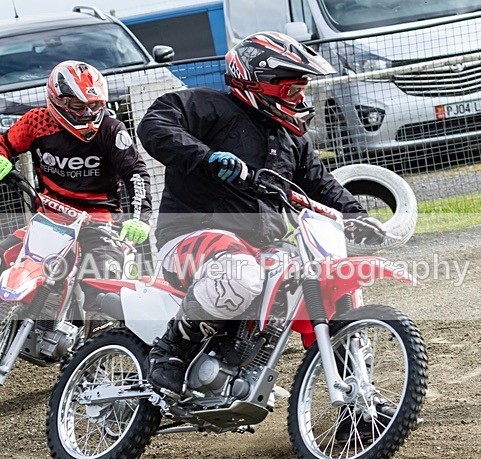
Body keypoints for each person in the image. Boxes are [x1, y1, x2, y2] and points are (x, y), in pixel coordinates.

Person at [136, 32, 385, 395]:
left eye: (302, 90)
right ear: (259, 83)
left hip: (263, 247)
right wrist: (205, 157)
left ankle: (356, 395)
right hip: (191, 235)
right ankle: (171, 350)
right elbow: (155, 124)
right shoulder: (206, 106)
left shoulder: (291, 140)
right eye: (291, 90)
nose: (300, 98)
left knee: (331, 284)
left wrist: (357, 216)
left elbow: (321, 185)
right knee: (241, 275)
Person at [0, 60, 152, 284]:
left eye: (95, 105)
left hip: (100, 221)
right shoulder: (36, 122)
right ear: (57, 100)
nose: (87, 114)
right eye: (78, 107)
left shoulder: (111, 129)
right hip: (50, 219)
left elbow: (135, 172)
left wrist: (140, 218)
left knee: (102, 279)